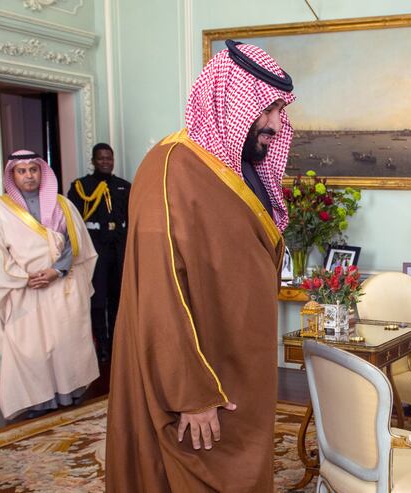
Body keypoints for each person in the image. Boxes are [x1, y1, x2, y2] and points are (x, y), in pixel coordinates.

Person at [105, 40, 294, 492]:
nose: (275, 123)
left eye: (278, 110)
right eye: (266, 109)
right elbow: (160, 290)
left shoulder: (238, 165)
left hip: (239, 362)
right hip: (198, 377)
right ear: (232, 100)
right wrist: (191, 393)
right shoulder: (170, 167)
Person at [0, 150, 99, 420]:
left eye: (33, 170)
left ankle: (67, 394)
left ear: (41, 172)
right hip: (25, 290)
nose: (28, 176)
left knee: (63, 343)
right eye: (21, 171)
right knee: (32, 347)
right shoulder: (0, 208)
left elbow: (76, 242)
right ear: (12, 175)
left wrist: (55, 271)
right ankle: (38, 400)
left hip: (60, 285)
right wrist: (26, 278)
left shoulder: (62, 204)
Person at [67, 143, 131, 362]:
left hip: (118, 250)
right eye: (101, 158)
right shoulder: (81, 187)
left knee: (117, 298)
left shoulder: (124, 186)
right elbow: (73, 222)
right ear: (93, 160)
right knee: (98, 301)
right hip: (95, 251)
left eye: (109, 158)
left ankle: (116, 343)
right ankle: (101, 346)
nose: (106, 162)